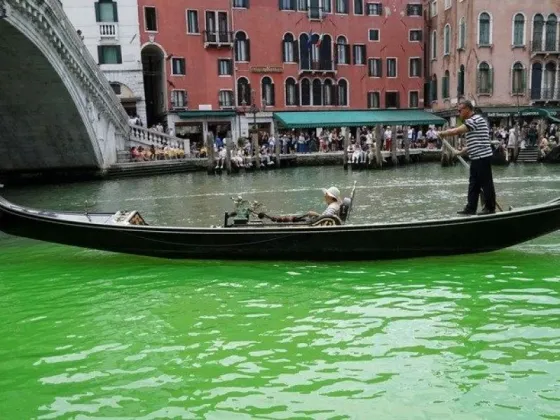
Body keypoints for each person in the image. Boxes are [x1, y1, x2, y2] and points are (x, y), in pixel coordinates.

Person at [438, 99, 496, 215]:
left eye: (460, 110)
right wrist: (461, 152)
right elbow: (476, 142)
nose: (458, 113)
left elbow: (457, 131)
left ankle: (490, 207)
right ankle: (471, 208)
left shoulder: (475, 120)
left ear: (468, 109)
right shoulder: (473, 121)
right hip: (476, 158)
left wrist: (443, 133)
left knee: (486, 183)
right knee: (473, 184)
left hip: (482, 158)